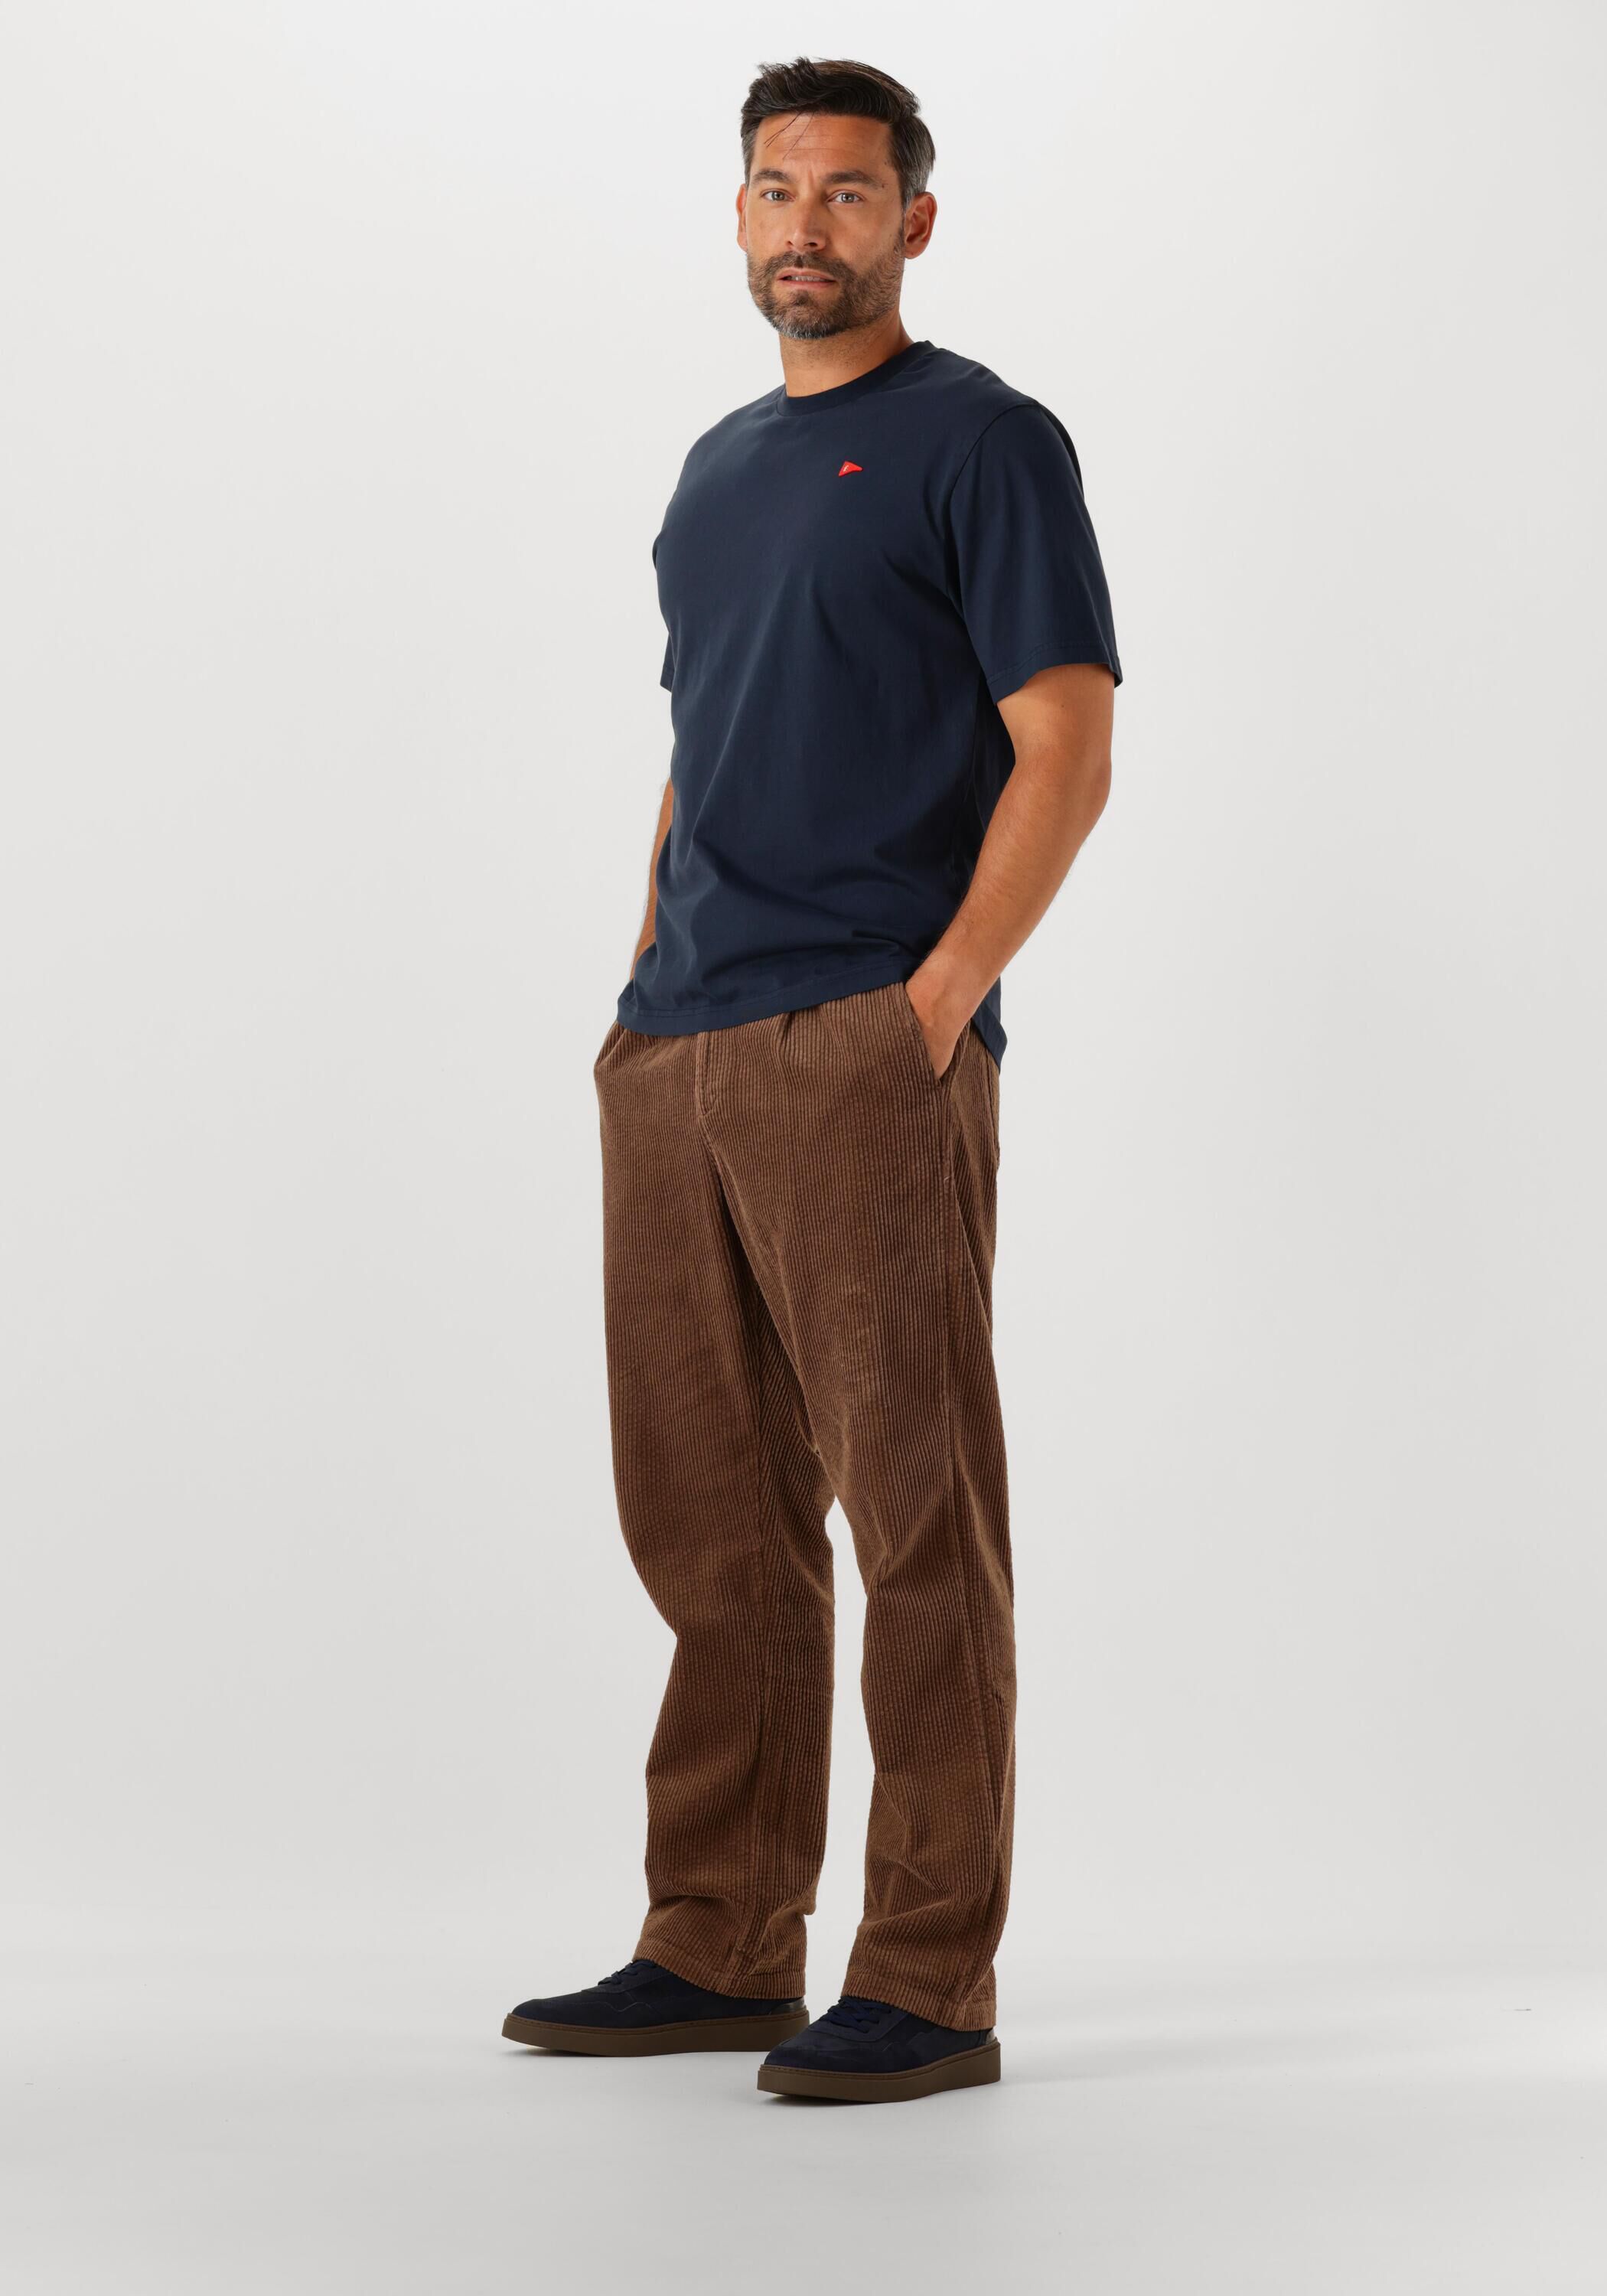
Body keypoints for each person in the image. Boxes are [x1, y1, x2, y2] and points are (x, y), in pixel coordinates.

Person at [503, 54, 1121, 2105]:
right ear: (740, 213)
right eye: (776, 188)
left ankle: (929, 1975)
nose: (806, 226)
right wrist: (638, 986)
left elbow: (1064, 746)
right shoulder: (712, 471)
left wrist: (935, 1002)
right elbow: (704, 745)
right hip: (677, 1043)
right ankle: (718, 1939)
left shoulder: (984, 441)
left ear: (911, 222)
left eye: (848, 193)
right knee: (709, 1523)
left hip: (864, 1038)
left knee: (916, 1514)